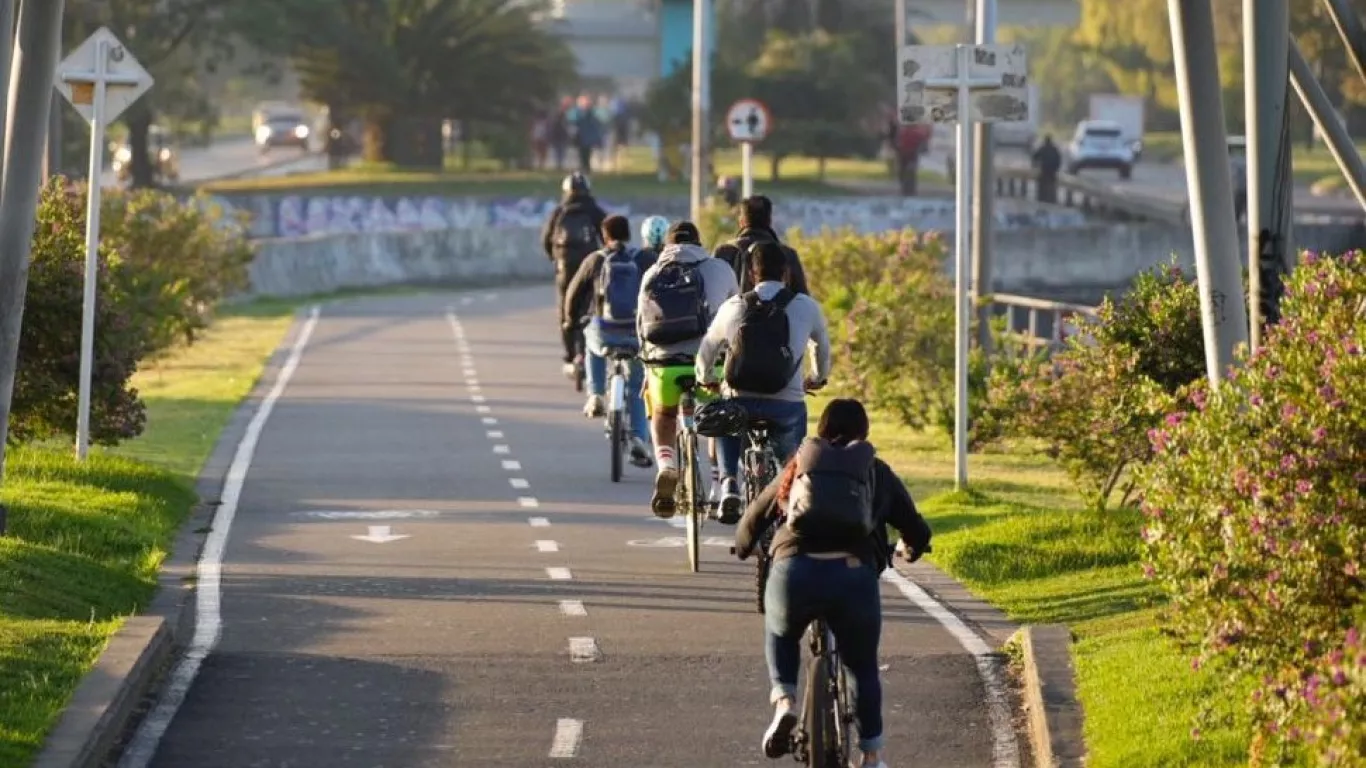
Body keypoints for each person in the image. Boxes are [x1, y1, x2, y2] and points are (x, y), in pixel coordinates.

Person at [733, 398, 932, 768]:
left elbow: (755, 515)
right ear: (864, 433)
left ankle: (785, 702)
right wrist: (912, 548)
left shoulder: (799, 465)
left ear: (821, 430)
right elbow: (916, 528)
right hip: (852, 577)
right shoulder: (876, 471)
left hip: (794, 571)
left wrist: (744, 547)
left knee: (780, 631)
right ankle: (871, 756)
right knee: (861, 666)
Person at [696, 241, 830, 523]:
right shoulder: (806, 306)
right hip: (786, 403)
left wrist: (706, 378)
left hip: (740, 400)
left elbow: (708, 348)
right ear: (786, 273)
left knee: (726, 419)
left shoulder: (733, 306)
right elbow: (821, 347)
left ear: (751, 274)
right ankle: (791, 499)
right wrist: (816, 378)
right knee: (791, 463)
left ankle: (729, 483)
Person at [636, 221, 740, 517]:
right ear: (699, 243)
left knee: (663, 413)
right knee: (719, 417)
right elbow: (738, 316)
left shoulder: (651, 274)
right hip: (710, 367)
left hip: (665, 366)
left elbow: (641, 328)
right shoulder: (720, 269)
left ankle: (666, 464)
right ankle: (719, 481)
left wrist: (647, 372)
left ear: (667, 246)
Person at [563, 214, 656, 467]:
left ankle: (595, 394)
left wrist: (570, 321)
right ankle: (638, 437)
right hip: (636, 332)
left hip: (605, 330)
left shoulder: (595, 259)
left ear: (605, 236)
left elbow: (573, 294)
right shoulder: (645, 259)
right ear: (629, 234)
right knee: (636, 385)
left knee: (590, 339)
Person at [541, 172, 608, 380]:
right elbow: (608, 236)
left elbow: (546, 240)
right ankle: (589, 351)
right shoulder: (593, 210)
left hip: (565, 268)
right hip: (589, 267)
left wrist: (556, 260)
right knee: (591, 308)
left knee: (566, 310)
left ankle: (571, 356)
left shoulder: (559, 212)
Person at [712, 195, 811, 295]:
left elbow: (710, 294)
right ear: (769, 221)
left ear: (741, 222)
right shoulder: (788, 254)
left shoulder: (723, 253)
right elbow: (802, 298)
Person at [1032, 134, 1062, 204]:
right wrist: (1056, 169)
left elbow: (1035, 156)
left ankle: (1041, 198)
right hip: (1053, 171)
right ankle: (1052, 199)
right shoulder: (1055, 149)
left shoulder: (1043, 148)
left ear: (1045, 141)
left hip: (1045, 170)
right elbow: (1059, 160)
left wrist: (1035, 165)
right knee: (1052, 184)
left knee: (1041, 183)